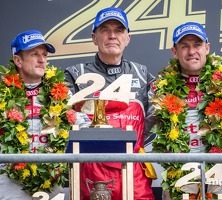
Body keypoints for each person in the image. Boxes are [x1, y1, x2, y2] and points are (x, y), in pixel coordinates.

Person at [64, 7, 156, 200]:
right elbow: (62, 122)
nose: (112, 36)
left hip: (133, 172)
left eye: (119, 31)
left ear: (127, 38)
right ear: (94, 37)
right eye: (105, 30)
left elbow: (157, 120)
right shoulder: (75, 74)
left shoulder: (142, 73)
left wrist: (137, 141)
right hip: (90, 174)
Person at [0, 30, 90, 199]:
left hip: (50, 181)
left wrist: (102, 129)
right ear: (18, 60)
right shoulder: (2, 95)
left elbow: (82, 125)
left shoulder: (61, 94)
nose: (42, 60)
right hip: (10, 182)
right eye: (34, 54)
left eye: (44, 54)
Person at [150, 22, 222, 200]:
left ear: (207, 48)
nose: (192, 51)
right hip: (177, 179)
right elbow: (143, 128)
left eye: (197, 45)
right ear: (174, 52)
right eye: (185, 46)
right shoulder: (160, 90)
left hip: (218, 180)